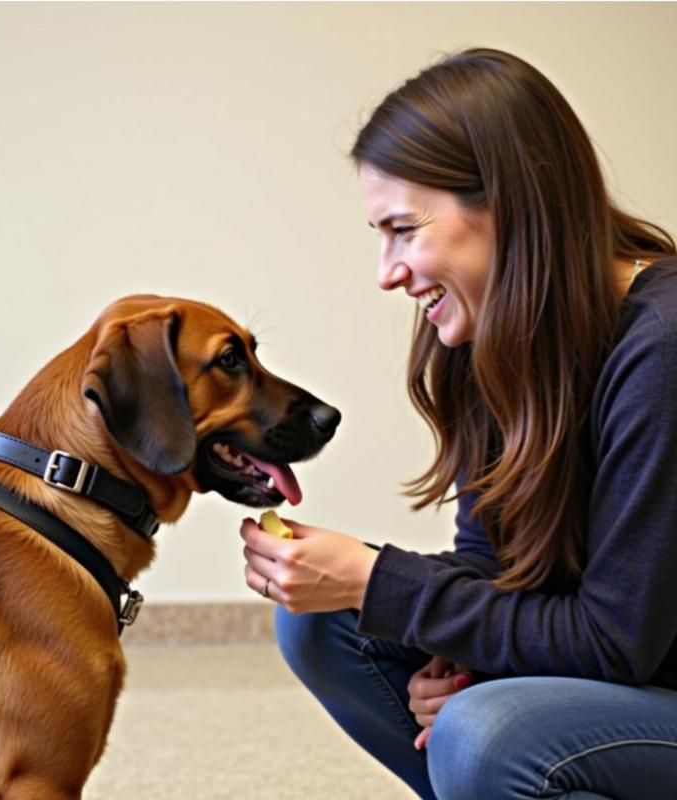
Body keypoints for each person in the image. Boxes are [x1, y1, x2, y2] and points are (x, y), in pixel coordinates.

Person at [239, 48, 677, 800]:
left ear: (512, 202)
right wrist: (455, 651)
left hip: (653, 676)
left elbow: (619, 642)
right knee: (321, 622)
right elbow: (493, 562)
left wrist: (394, 592)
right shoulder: (491, 334)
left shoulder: (663, 348)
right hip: (625, 674)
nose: (387, 270)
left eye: (404, 229)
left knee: (487, 733)